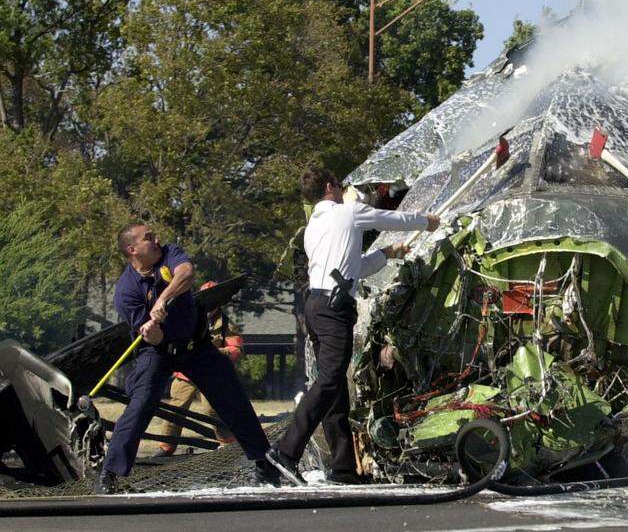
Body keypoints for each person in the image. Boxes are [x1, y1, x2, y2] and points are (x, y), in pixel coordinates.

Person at [265, 166, 439, 485]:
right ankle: (286, 452)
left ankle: (344, 468)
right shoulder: (347, 212)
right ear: (331, 186)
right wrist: (425, 222)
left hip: (317, 305)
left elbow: (352, 268)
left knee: (336, 390)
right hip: (333, 310)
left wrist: (386, 253)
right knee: (330, 381)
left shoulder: (314, 227)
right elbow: (391, 219)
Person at [99, 224, 277, 493]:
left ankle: (265, 464)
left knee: (232, 400)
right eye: (148, 238)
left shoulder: (169, 253)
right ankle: (111, 473)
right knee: (141, 404)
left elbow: (186, 273)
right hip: (157, 352)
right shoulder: (126, 291)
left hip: (197, 347)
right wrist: (153, 330)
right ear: (132, 249)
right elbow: (154, 340)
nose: (156, 239)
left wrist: (162, 300)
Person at [156, 280, 244, 455]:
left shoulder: (226, 323)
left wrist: (215, 353)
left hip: (211, 373)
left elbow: (236, 349)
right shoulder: (187, 316)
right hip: (185, 372)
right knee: (176, 409)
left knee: (213, 409)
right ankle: (166, 446)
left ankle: (227, 443)